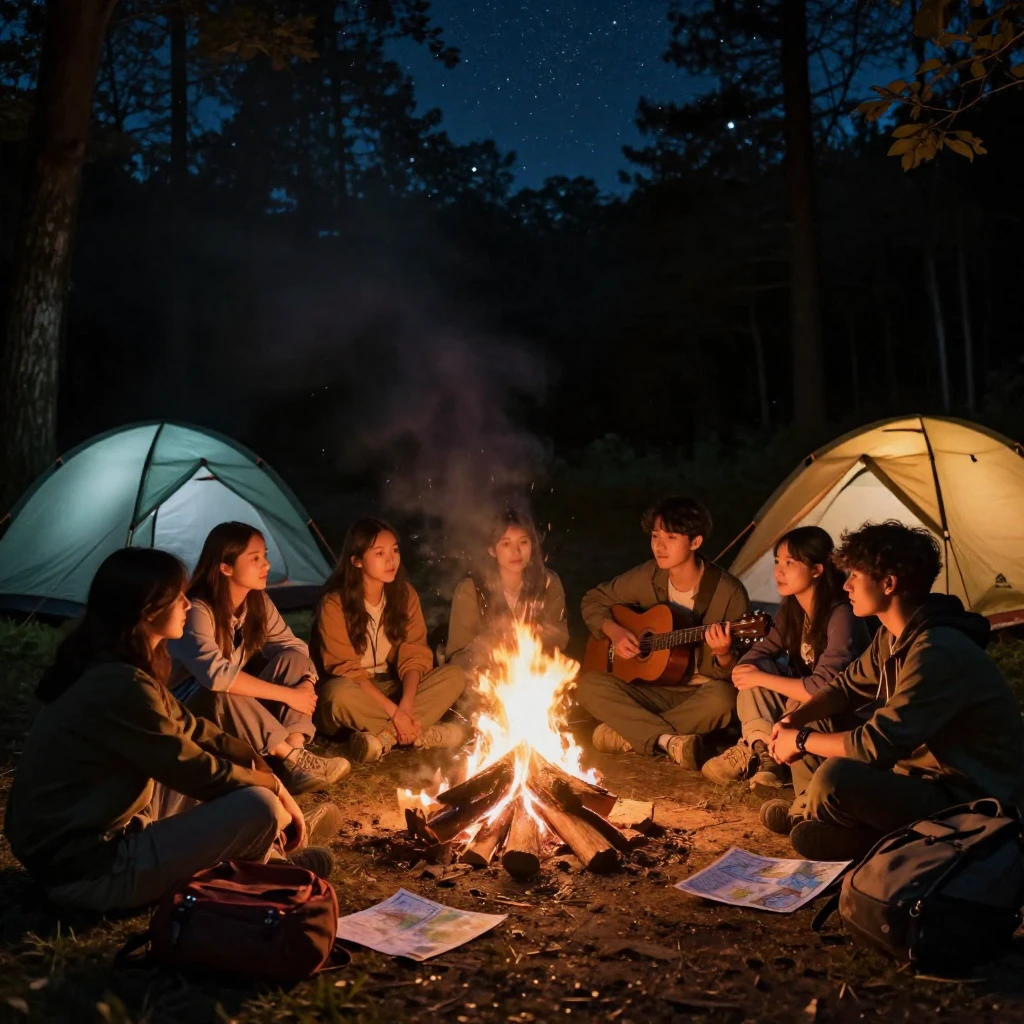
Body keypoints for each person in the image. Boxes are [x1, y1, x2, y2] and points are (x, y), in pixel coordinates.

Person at [4, 548, 340, 913]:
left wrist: (252, 759)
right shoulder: (119, 685)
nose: (187, 604)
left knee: (235, 777)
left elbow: (193, 729)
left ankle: (271, 852)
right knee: (258, 806)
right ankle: (263, 863)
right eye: (178, 596)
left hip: (88, 844)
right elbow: (197, 772)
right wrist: (273, 787)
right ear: (148, 610)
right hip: (91, 872)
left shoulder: (116, 667)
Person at [767, 521, 1024, 861]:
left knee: (836, 774)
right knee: (818, 721)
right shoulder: (891, 636)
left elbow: (876, 745)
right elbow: (845, 688)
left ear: (888, 584)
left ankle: (842, 828)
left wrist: (798, 741)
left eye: (855, 576)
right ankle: (833, 824)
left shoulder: (937, 649)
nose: (846, 587)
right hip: (919, 778)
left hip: (970, 797)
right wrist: (794, 720)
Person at [169, 522, 349, 795]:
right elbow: (216, 676)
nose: (266, 565)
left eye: (264, 556)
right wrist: (287, 696)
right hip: (188, 714)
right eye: (255, 559)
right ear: (225, 567)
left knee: (292, 659)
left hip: (232, 709)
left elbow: (293, 645)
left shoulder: (257, 602)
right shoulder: (197, 610)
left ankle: (296, 758)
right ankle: (291, 758)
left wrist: (305, 685)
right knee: (224, 688)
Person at [575, 496, 749, 769]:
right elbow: (593, 600)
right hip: (652, 690)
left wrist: (724, 654)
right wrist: (615, 631)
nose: (659, 545)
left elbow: (739, 673)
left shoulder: (729, 594)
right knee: (587, 686)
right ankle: (669, 740)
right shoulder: (649, 576)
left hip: (697, 694)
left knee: (724, 699)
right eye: (655, 536)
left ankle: (630, 734)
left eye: (670, 537)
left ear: (695, 542)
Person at [701, 526, 869, 799]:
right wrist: (741, 664)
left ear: (817, 569)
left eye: (790, 563)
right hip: (802, 707)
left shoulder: (842, 615)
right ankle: (764, 754)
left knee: (767, 681)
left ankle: (753, 748)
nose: (779, 571)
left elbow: (824, 689)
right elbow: (757, 655)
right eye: (777, 561)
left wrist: (760, 678)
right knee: (756, 672)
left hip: (837, 716)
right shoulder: (790, 612)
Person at [312, 518, 467, 763]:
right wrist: (395, 712)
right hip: (356, 693)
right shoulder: (335, 604)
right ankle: (422, 733)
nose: (391, 560)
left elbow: (414, 654)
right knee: (336, 694)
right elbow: (346, 670)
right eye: (380, 553)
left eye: (394, 550)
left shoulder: (404, 595)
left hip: (392, 686)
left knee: (455, 675)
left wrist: (404, 706)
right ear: (357, 561)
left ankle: (385, 738)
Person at [446, 509, 569, 672]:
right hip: (485, 680)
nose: (516, 551)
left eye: (523, 542)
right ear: (492, 550)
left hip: (535, 672)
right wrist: (496, 647)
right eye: (506, 544)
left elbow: (560, 637)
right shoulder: (472, 589)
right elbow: (457, 656)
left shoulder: (547, 583)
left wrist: (537, 638)